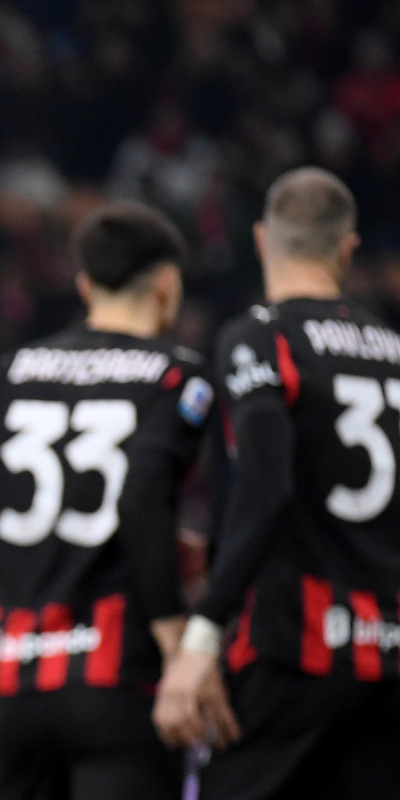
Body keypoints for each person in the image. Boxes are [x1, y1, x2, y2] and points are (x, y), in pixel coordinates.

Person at [0, 204, 212, 800]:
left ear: (85, 284)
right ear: (168, 283)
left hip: (18, 684)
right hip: (119, 680)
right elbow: (142, 506)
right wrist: (178, 642)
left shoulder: (11, 372)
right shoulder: (177, 378)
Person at [155, 167, 400, 798]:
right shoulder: (394, 351)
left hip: (292, 655)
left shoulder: (260, 340)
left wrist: (202, 638)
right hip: (387, 662)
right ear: (348, 249)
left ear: (263, 240)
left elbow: (266, 493)